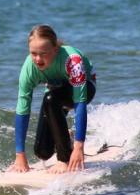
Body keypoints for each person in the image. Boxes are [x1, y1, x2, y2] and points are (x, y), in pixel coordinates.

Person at [7, 24, 97, 174]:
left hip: (85, 87)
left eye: (43, 53)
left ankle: (64, 158)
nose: (37, 59)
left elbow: (80, 103)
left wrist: (79, 146)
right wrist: (20, 155)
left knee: (50, 99)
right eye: (33, 53)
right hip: (55, 91)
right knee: (42, 152)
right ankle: (65, 137)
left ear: (55, 49)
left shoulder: (72, 61)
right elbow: (22, 110)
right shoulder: (29, 68)